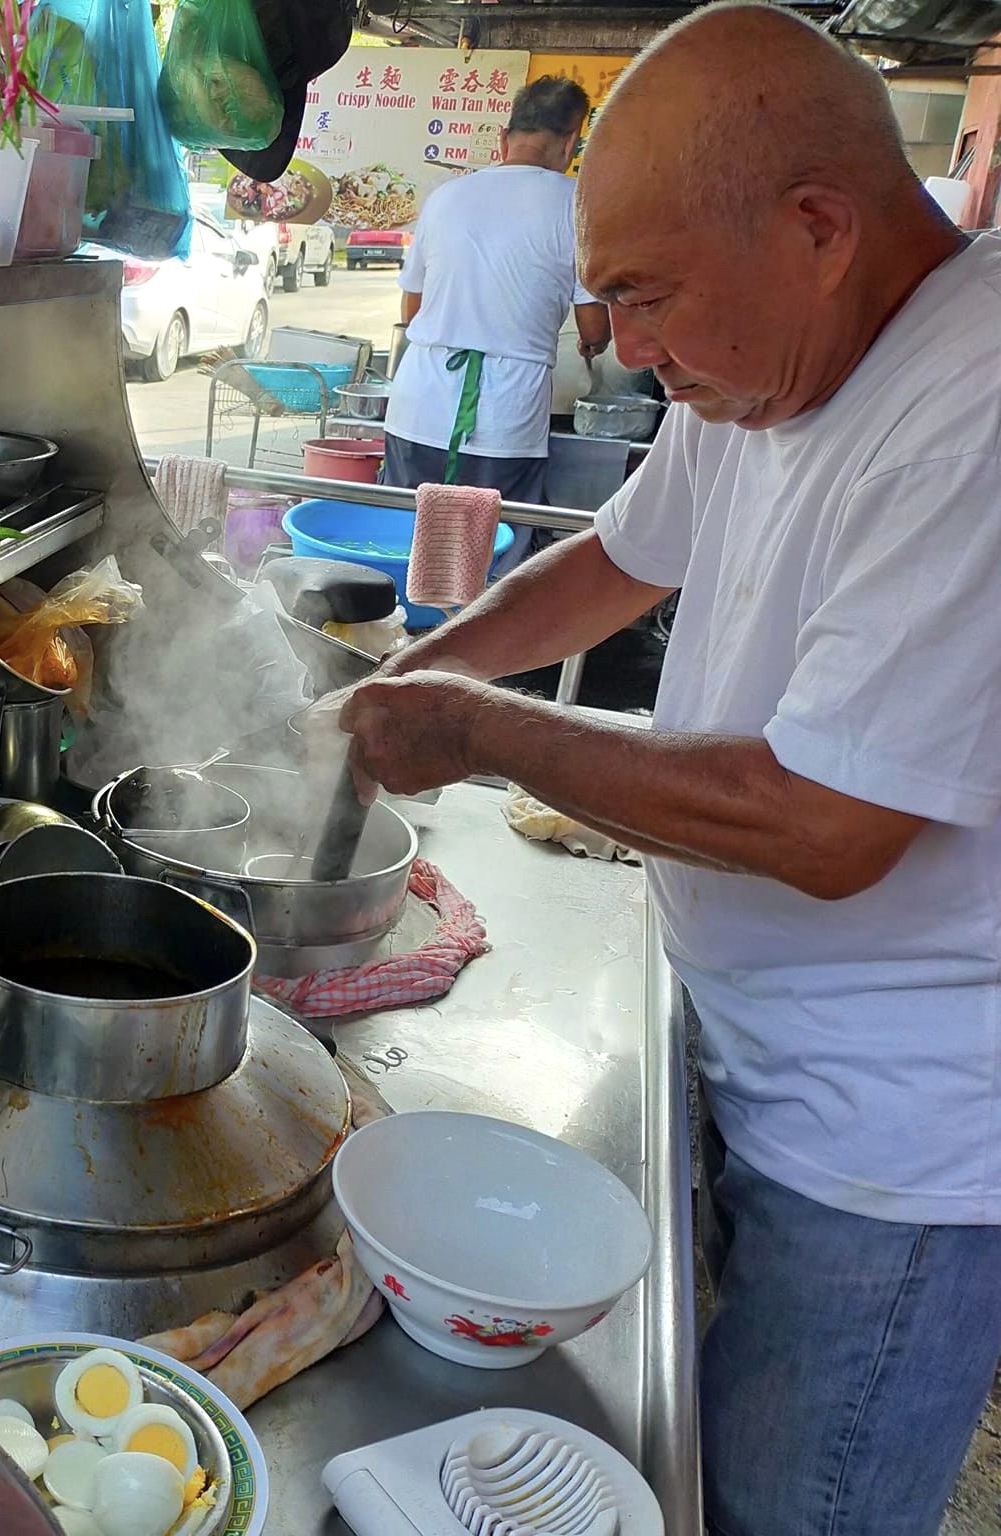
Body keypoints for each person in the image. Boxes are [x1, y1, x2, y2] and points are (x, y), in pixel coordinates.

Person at [332, 7, 1001, 1534]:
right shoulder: (765, 355)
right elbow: (613, 565)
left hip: (892, 1151)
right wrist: (424, 670)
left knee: (788, 1510)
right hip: (761, 1045)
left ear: (818, 227)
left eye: (645, 298)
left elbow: (833, 827)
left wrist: (481, 733)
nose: (624, 348)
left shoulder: (973, 408)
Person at [380, 76, 612, 507]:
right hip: (507, 416)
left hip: (419, 406)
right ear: (570, 145)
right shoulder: (577, 207)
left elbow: (413, 310)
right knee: (493, 550)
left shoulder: (445, 197)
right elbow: (594, 326)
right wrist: (592, 343)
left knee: (402, 539)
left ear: (503, 138)